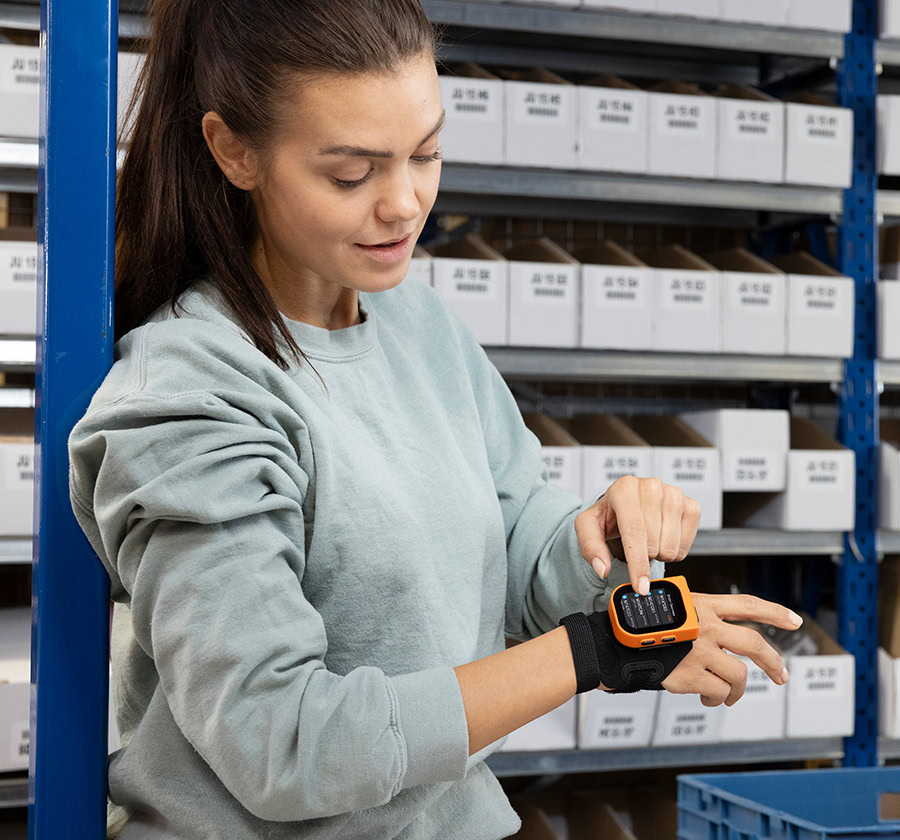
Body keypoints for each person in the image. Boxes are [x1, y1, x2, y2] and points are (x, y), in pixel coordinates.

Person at [67, 1, 802, 837]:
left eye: (426, 154)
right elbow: (284, 745)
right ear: (234, 150)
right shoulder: (191, 397)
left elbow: (513, 548)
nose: (405, 203)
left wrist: (590, 536)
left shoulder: (420, 327)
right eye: (352, 173)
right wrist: (598, 652)